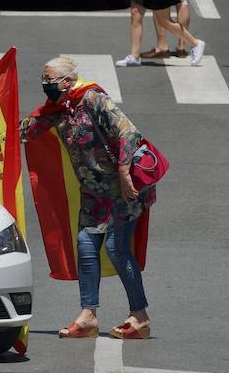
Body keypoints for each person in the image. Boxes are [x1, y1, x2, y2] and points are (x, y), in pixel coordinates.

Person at [22, 57, 152, 340]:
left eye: (50, 80)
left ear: (67, 81)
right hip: (94, 193)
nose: (46, 86)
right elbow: (25, 132)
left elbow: (127, 132)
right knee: (86, 246)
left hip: (122, 189)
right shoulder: (57, 109)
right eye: (43, 80)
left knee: (117, 249)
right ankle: (88, 316)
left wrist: (124, 170)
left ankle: (140, 317)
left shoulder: (92, 99)